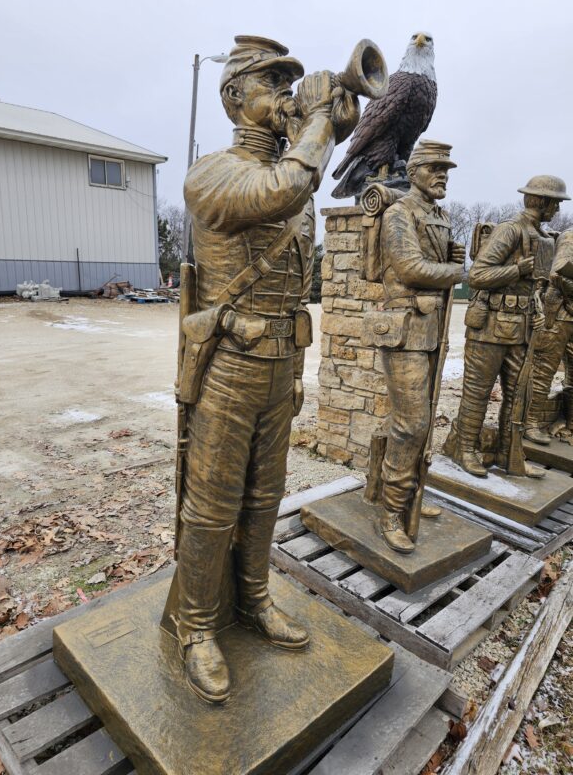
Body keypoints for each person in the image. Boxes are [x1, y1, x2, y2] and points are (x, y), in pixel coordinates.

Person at [166, 35, 359, 703]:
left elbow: (296, 281)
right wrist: (315, 122)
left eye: (290, 84)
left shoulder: (293, 186)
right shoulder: (213, 175)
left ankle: (252, 599)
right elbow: (285, 187)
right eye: (269, 84)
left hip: (280, 367)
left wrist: (299, 370)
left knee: (265, 495)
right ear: (232, 99)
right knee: (213, 508)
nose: (282, 95)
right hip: (229, 366)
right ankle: (194, 627)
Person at [376, 140, 464, 553]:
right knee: (410, 424)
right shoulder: (399, 213)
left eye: (446, 168)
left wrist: (452, 257)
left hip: (431, 330)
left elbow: (435, 265)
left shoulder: (439, 216)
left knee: (423, 420)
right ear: (413, 173)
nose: (442, 174)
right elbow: (410, 267)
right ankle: (392, 511)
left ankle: (409, 494)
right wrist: (455, 270)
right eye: (434, 167)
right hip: (406, 329)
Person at [449, 175, 569, 477]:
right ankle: (465, 449)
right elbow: (476, 276)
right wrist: (517, 269)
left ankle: (508, 454)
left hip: (522, 329)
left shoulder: (540, 236)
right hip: (489, 328)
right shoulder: (510, 230)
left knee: (518, 396)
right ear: (540, 201)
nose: (556, 209)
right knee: (477, 393)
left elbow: (534, 288)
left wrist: (538, 309)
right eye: (554, 202)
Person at [525, 225, 573, 444]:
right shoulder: (570, 237)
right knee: (543, 370)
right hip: (559, 315)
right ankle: (529, 423)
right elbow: (557, 274)